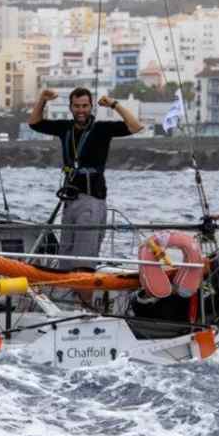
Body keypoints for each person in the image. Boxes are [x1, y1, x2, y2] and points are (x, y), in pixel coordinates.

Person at [28, 87, 144, 304]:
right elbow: (34, 123)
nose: (81, 110)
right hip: (69, 202)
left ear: (91, 107)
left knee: (83, 264)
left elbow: (136, 126)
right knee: (66, 260)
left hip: (91, 201)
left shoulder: (101, 129)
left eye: (85, 106)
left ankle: (86, 310)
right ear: (70, 107)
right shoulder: (65, 128)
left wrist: (114, 105)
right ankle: (70, 307)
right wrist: (42, 99)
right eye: (77, 106)